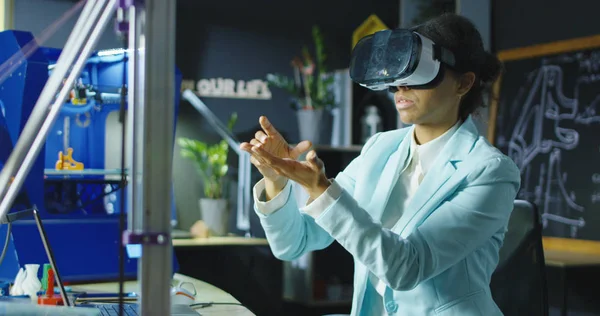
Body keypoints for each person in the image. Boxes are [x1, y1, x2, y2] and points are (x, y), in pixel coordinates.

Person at [240, 13, 520, 316]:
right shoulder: (380, 148)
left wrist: (321, 190)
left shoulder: (489, 171)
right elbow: (295, 242)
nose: (402, 87)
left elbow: (407, 268)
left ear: (463, 83)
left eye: (420, 72)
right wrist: (276, 180)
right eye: (400, 71)